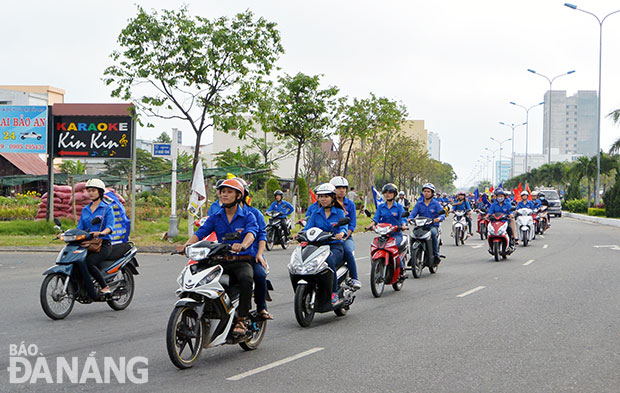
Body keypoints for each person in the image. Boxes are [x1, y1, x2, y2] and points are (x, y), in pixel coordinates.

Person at [184, 178, 258, 335]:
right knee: (197, 275)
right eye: (223, 191)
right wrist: (185, 245)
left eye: (229, 192)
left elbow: (252, 233)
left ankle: (241, 320)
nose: (224, 195)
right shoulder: (216, 216)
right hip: (220, 260)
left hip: (241, 261)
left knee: (246, 279)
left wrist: (243, 245)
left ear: (239, 196)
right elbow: (200, 233)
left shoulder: (248, 215)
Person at [296, 183, 347, 305]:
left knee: (328, 261)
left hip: (334, 246)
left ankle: (334, 293)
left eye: (326, 196)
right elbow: (307, 228)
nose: (323, 199)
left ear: (332, 198)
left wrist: (341, 234)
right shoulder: (316, 213)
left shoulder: (339, 213)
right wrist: (299, 234)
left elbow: (344, 228)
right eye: (321, 196)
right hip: (317, 246)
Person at [235, 178, 273, 320]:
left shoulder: (253, 214)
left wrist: (259, 254)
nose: (226, 195)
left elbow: (261, 235)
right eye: (224, 192)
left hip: (250, 256)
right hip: (227, 256)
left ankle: (261, 307)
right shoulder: (219, 212)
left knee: (259, 275)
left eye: (232, 192)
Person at [77, 179, 116, 296]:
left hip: (102, 244)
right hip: (87, 244)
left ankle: (105, 286)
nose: (90, 193)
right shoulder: (85, 210)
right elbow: (80, 227)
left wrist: (102, 232)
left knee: (89, 262)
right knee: (76, 260)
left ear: (100, 192)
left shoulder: (106, 209)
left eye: (93, 190)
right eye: (89, 191)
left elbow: (110, 226)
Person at [366, 183, 408, 276]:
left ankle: (401, 269)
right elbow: (376, 218)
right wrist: (371, 225)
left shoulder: (399, 207)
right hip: (384, 234)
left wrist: (403, 225)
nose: (387, 194)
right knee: (376, 246)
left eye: (390, 192)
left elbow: (403, 218)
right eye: (385, 192)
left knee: (394, 248)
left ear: (394, 194)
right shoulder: (381, 207)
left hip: (396, 234)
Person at [331, 176, 361, 289]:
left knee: (348, 251)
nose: (342, 190)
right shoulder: (328, 204)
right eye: (338, 188)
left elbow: (352, 224)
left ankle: (354, 278)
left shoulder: (350, 205)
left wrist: (345, 235)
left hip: (345, 237)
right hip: (327, 238)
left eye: (344, 188)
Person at [409, 183, 444, 265]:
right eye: (425, 191)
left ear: (432, 193)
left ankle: (435, 256)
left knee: (434, 234)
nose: (426, 193)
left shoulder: (436, 204)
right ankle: (412, 256)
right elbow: (413, 213)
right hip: (420, 226)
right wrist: (409, 219)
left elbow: (442, 214)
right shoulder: (419, 204)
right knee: (412, 236)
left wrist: (439, 218)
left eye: (428, 191)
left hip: (432, 226)